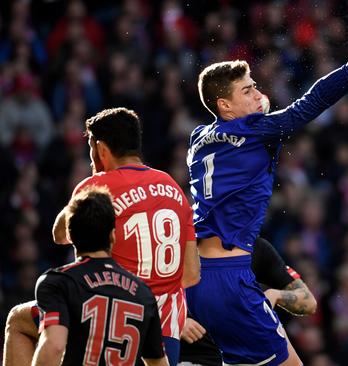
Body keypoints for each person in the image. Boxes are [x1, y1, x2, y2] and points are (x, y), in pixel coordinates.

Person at [185, 29, 348, 366]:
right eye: (247, 90)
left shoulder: (199, 138)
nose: (257, 93)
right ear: (224, 106)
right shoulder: (253, 131)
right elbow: (310, 103)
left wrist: (255, 107)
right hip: (231, 275)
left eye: (254, 85)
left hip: (194, 278)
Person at [3, 107, 199, 366]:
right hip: (164, 339)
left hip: (106, 324)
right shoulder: (173, 186)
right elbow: (191, 274)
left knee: (18, 320)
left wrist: (88, 188)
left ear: (102, 150)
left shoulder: (98, 185)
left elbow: (60, 235)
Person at [31, 186, 169, 366]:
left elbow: (55, 345)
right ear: (112, 236)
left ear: (70, 236)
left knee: (17, 320)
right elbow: (158, 362)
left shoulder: (58, 282)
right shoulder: (143, 293)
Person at [178, 238, 317, 366]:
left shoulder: (254, 247)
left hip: (245, 355)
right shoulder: (179, 249)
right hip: (193, 356)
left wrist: (275, 295)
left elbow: (309, 302)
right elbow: (156, 299)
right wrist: (176, 320)